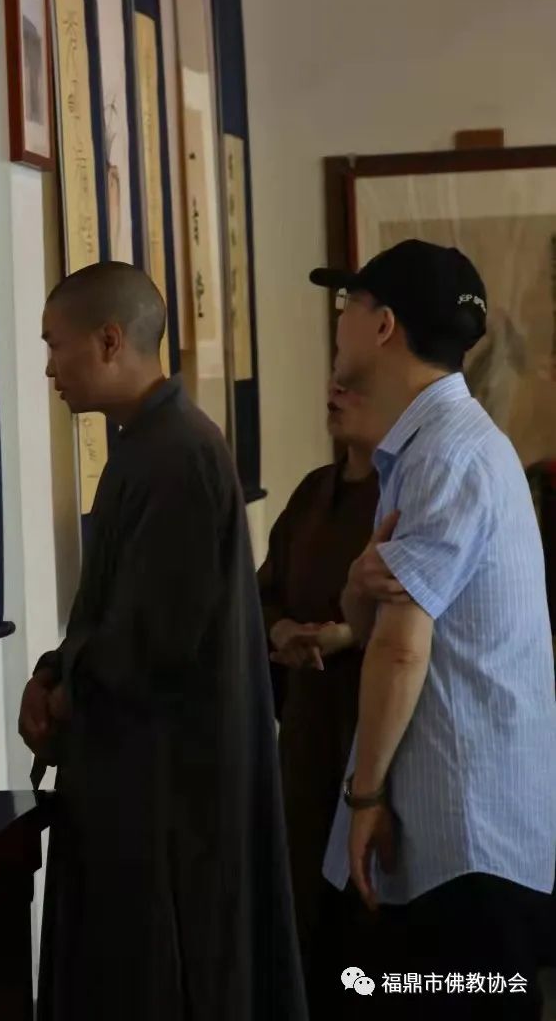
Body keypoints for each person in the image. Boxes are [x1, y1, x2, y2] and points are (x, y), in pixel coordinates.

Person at [18, 261, 307, 1021]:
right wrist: (52, 672)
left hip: (169, 798)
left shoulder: (176, 455)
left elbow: (149, 643)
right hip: (144, 782)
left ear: (110, 340)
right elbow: (110, 614)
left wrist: (61, 694)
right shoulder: (149, 445)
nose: (48, 368)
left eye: (54, 345)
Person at [309, 239, 556, 1019]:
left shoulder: (444, 455)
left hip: (466, 833)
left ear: (382, 325)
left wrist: (363, 795)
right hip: (462, 826)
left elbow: (399, 645)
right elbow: (372, 618)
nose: (338, 324)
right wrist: (356, 585)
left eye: (346, 306)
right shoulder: (436, 446)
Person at [258, 381, 379, 999]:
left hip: (374, 733)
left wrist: (348, 635)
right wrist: (280, 629)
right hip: (306, 739)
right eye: (334, 380)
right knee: (307, 918)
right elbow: (262, 593)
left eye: (353, 384)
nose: (333, 392)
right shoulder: (313, 494)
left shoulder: (407, 494)